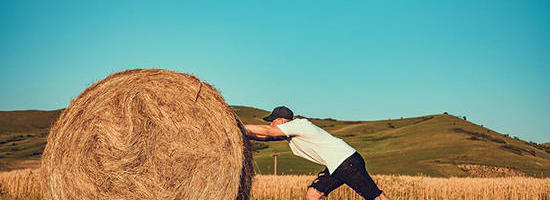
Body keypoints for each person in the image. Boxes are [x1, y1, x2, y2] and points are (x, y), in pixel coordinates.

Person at [244, 106, 391, 200]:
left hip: (347, 162)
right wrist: (240, 134)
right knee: (313, 194)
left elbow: (268, 131)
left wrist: (238, 126)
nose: (270, 124)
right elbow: (266, 136)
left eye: (272, 121)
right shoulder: (291, 133)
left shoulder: (298, 125)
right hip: (336, 166)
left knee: (376, 197)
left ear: (281, 120)